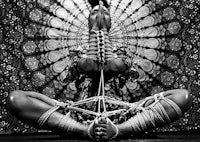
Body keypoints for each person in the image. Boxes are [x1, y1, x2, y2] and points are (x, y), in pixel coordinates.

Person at [7, 1, 192, 141]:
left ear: (111, 22)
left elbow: (112, 67)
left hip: (122, 114)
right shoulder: (77, 53)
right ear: (88, 21)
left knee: (182, 97)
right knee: (16, 99)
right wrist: (96, 32)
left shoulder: (122, 52)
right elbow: (91, 66)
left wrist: (104, 37)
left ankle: (120, 130)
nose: (99, 15)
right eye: (94, 12)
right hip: (78, 114)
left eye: (104, 14)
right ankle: (83, 131)